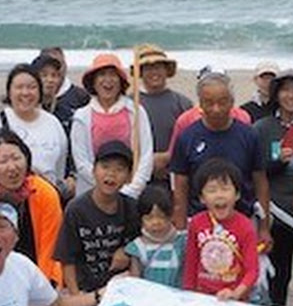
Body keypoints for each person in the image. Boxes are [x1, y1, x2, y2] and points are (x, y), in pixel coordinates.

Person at [170, 69, 271, 248]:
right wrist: (181, 228)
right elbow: (180, 186)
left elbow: (260, 182)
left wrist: (264, 227)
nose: (216, 109)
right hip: (200, 221)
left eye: (222, 102)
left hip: (243, 219)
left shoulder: (249, 135)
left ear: (232, 102)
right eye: (208, 103)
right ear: (200, 103)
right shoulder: (187, 137)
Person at [53, 141, 141, 306]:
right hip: (85, 290)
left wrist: (127, 251)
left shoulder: (131, 208)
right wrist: (76, 300)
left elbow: (143, 244)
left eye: (120, 170)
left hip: (118, 290)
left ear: (128, 177)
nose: (111, 174)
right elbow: (67, 259)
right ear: (94, 170)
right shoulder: (76, 210)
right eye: (105, 167)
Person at [0, 129, 64, 306]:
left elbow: (53, 247)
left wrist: (36, 298)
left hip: (35, 272)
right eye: (2, 161)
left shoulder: (42, 192)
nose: (11, 167)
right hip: (4, 274)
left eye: (16, 158)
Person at [254, 69, 293, 306]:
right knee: (277, 279)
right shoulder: (262, 128)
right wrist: (279, 161)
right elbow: (256, 172)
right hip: (276, 214)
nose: (291, 95)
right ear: (276, 94)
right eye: (285, 90)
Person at [71, 53, 154, 199]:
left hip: (131, 191)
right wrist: (106, 186)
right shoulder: (82, 116)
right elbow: (81, 162)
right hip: (92, 193)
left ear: (120, 81)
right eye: (102, 75)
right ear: (94, 81)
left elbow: (146, 153)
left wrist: (133, 187)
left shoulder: (135, 111)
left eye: (112, 75)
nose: (107, 80)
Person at [183, 158, 259, 301]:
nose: (219, 195)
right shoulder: (196, 222)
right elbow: (191, 263)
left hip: (234, 299)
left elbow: (252, 271)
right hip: (202, 296)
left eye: (225, 189)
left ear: (237, 194)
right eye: (211, 190)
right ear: (201, 198)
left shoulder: (245, 226)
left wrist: (236, 293)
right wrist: (189, 294)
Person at [2, 63, 69, 195]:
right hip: (10, 202)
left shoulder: (53, 123)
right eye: (19, 87)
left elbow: (61, 165)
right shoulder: (3, 121)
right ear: (9, 92)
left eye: (32, 87)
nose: (25, 93)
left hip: (48, 197)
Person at [134, 44, 193, 188]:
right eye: (148, 68)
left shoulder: (183, 103)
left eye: (158, 67)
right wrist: (148, 162)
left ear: (166, 70)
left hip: (173, 177)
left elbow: (191, 140)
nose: (154, 72)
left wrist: (167, 157)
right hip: (138, 177)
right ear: (141, 72)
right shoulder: (131, 103)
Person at [124, 185, 186, 289]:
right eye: (149, 218)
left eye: (162, 217)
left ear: (171, 215)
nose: (156, 222)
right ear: (141, 218)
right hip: (150, 299)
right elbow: (135, 281)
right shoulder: (138, 247)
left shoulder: (182, 241)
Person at [36, 47, 90, 139]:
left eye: (60, 64)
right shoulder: (30, 98)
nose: (57, 69)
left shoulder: (81, 96)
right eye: (45, 73)